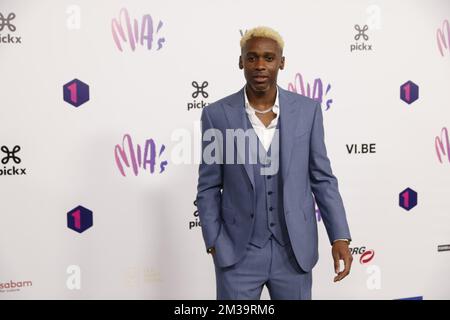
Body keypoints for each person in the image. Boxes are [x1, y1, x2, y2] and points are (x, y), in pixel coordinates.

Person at [196, 26, 352, 300]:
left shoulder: (308, 111)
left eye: (268, 58)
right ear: (241, 61)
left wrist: (339, 236)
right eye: (252, 57)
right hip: (237, 255)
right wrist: (214, 241)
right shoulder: (216, 115)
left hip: (294, 253)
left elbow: (323, 179)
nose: (260, 65)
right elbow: (208, 187)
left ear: (281, 62)